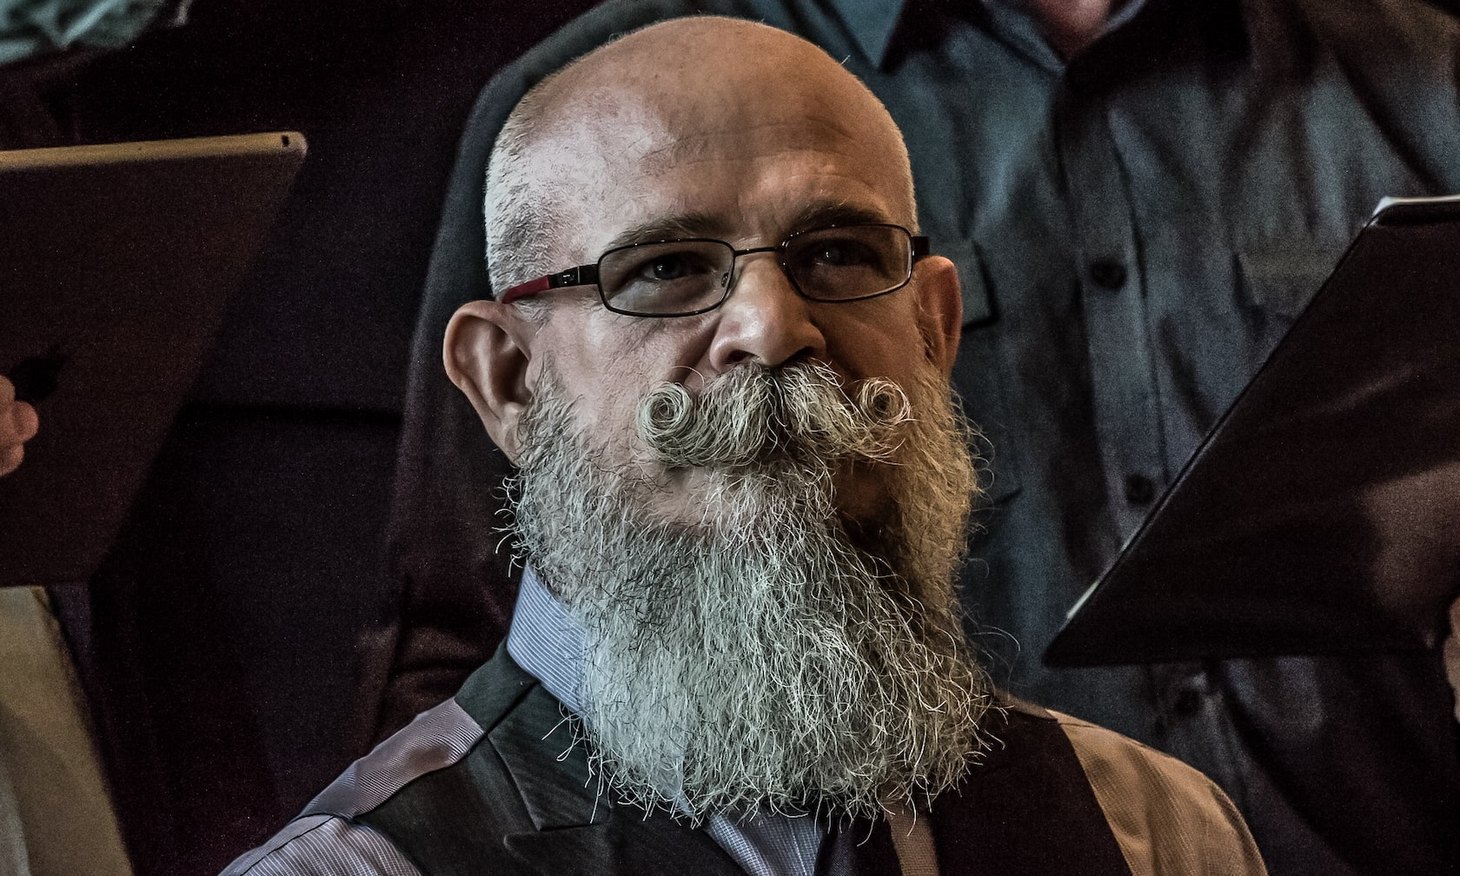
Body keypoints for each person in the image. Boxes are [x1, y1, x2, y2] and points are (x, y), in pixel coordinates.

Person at [376, 2, 1460, 873]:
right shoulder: (602, 86)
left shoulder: (1421, 69)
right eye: (667, 269)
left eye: (837, 255)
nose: (767, 324)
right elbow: (455, 621)